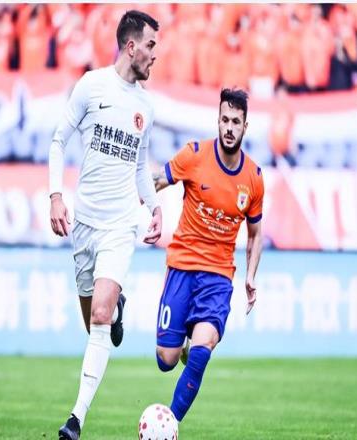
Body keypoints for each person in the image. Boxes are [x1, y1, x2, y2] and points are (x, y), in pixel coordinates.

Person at [48, 10, 162, 440]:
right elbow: (58, 141)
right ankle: (117, 308)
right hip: (84, 224)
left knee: (98, 315)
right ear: (131, 47)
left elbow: (139, 167)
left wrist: (154, 208)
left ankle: (75, 419)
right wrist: (55, 195)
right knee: (92, 321)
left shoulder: (146, 107)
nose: (154, 54)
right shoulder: (91, 86)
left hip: (120, 226)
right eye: (150, 45)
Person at [152, 88, 264, 424]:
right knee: (166, 359)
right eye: (225, 120)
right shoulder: (194, 155)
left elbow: (255, 234)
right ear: (218, 121)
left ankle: (170, 424)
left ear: (245, 127)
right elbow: (157, 181)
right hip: (182, 267)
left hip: (217, 277)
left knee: (201, 352)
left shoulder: (254, 178)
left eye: (236, 122)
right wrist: (143, 203)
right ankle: (181, 345)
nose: (229, 127)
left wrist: (250, 275)